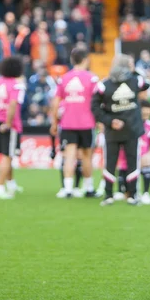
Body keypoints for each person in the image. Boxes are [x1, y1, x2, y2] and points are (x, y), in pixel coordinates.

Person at [91, 54, 150, 206]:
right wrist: (110, 121)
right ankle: (131, 195)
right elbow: (147, 84)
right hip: (129, 129)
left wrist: (109, 121)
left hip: (116, 130)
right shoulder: (134, 80)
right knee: (129, 163)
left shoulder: (105, 84)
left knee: (111, 163)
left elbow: (95, 107)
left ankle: (110, 195)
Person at [50, 48, 99, 198]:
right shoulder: (92, 79)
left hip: (68, 123)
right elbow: (98, 102)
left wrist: (54, 122)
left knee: (69, 156)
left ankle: (68, 189)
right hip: (87, 123)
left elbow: (56, 102)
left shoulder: (64, 78)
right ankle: (89, 188)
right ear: (86, 59)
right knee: (86, 156)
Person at [0, 56, 26, 199]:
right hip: (10, 125)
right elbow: (13, 104)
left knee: (8, 154)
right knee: (7, 156)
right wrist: (9, 124)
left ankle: (11, 184)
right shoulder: (16, 85)